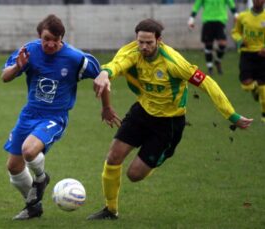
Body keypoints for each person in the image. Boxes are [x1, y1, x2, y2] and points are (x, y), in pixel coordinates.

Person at [87, 18, 253, 220]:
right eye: (141, 42)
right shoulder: (131, 52)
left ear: (159, 40)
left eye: (149, 42)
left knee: (134, 175)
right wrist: (105, 73)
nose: (144, 47)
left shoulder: (173, 62)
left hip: (169, 123)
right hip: (142, 111)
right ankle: (110, 210)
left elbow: (207, 84)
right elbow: (117, 64)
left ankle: (160, 155)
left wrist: (232, 115)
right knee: (113, 157)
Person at [1, 14, 101, 220]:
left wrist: (107, 105)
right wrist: (18, 67)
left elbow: (101, 74)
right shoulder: (29, 50)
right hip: (29, 114)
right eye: (46, 39)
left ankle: (41, 177)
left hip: (54, 117)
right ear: (40, 36)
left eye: (56, 40)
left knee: (29, 150)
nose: (51, 44)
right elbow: (5, 77)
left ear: (61, 39)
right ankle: (33, 207)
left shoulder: (74, 58)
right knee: (13, 167)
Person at [231, 0, 265, 123]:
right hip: (247, 53)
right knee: (246, 84)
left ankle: (263, 114)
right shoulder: (242, 16)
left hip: (262, 54)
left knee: (263, 86)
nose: (258, 1)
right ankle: (253, 88)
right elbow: (235, 32)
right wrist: (240, 40)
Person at [187, 0, 238, 75]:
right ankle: (210, 68)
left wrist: (236, 15)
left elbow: (231, 3)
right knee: (208, 45)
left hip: (221, 20)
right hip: (208, 20)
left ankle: (217, 60)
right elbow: (196, 5)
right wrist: (191, 19)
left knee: (222, 44)